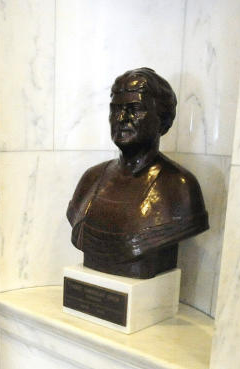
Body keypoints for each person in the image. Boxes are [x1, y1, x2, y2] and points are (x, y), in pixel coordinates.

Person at [67, 68, 208, 279]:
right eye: (116, 109)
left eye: (135, 109)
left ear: (162, 119)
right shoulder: (91, 179)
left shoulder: (180, 187)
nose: (122, 118)